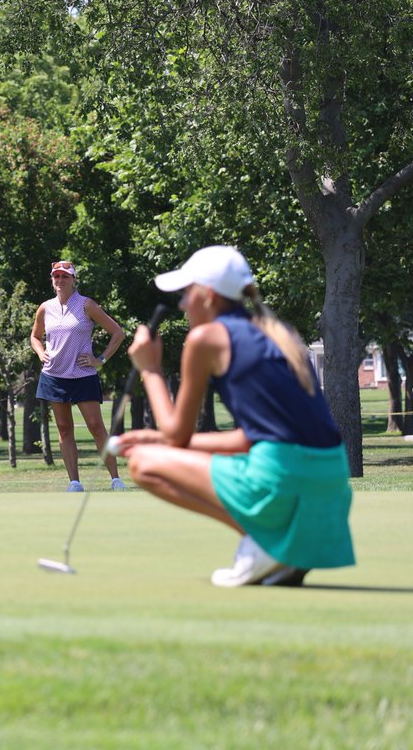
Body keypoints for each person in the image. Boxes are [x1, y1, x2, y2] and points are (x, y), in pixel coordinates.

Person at [115, 246, 355, 587]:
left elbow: (175, 437)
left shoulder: (206, 338)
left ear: (209, 296)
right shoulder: (279, 333)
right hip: (330, 487)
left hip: (283, 481)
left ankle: (267, 542)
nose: (182, 305)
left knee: (142, 463)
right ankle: (281, 548)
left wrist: (149, 370)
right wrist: (159, 437)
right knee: (153, 449)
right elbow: (253, 438)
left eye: (187, 294)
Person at [30, 260, 127, 492]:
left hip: (83, 375)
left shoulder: (87, 305)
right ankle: (74, 482)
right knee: (64, 428)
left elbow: (118, 333)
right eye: (57, 276)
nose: (60, 280)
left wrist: (100, 360)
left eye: (65, 276)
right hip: (54, 375)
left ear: (74, 280)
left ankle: (115, 479)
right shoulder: (45, 307)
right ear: (52, 280)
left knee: (96, 426)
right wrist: (40, 352)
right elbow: (35, 336)